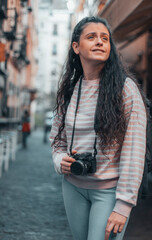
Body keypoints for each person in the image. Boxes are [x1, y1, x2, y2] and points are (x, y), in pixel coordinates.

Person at [50, 16, 147, 240]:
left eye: (105, 38)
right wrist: (59, 160)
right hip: (72, 186)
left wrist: (123, 205)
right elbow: (57, 140)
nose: (100, 42)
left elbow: (134, 151)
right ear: (76, 47)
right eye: (91, 37)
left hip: (109, 191)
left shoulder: (126, 89)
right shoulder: (70, 90)